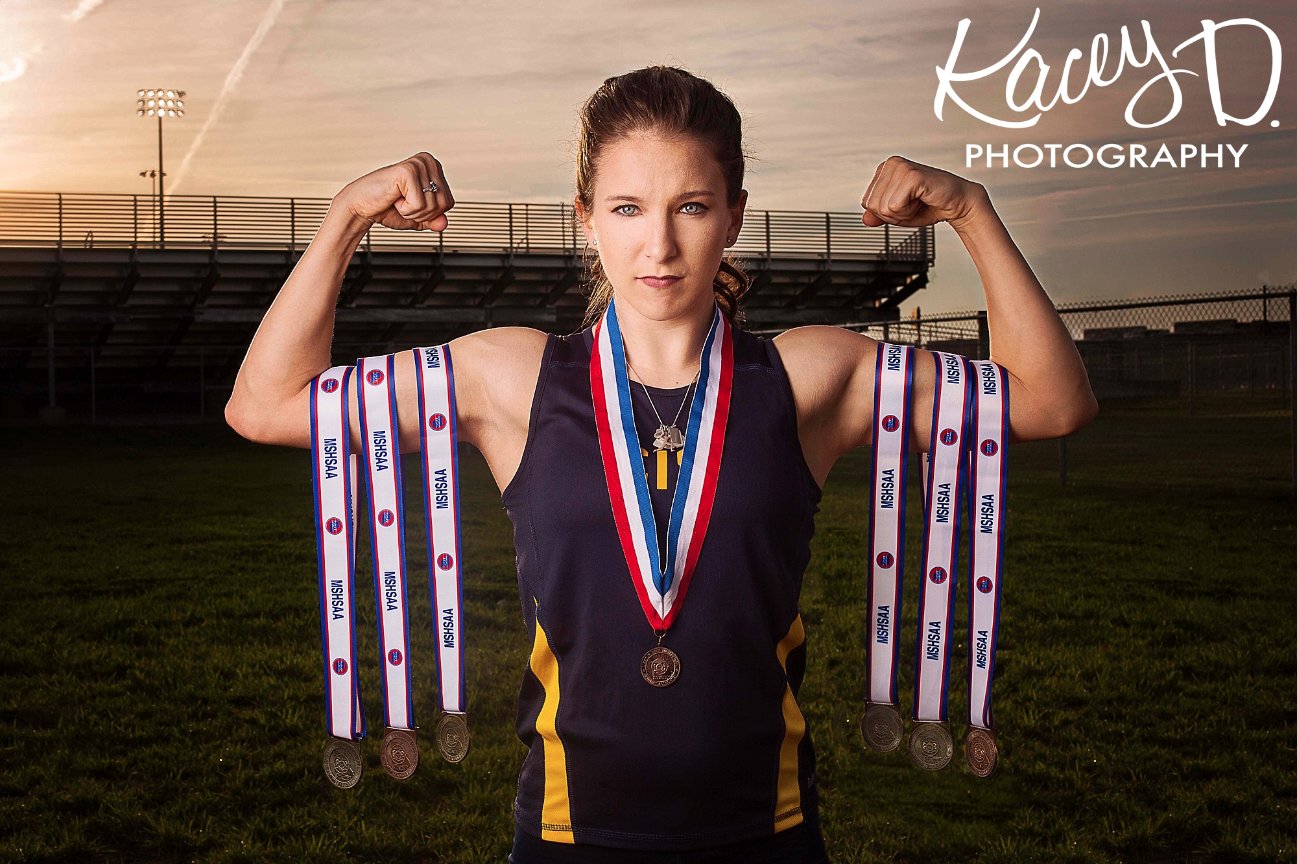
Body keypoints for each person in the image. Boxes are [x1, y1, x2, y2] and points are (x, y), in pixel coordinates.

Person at [225, 65, 1097, 863]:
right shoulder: (515, 378)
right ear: (585, 217)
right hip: (568, 832)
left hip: (766, 830)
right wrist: (345, 219)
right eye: (627, 208)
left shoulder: (806, 377)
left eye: (691, 206)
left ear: (734, 215)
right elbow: (263, 406)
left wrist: (971, 213)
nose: (659, 246)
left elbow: (1051, 401)